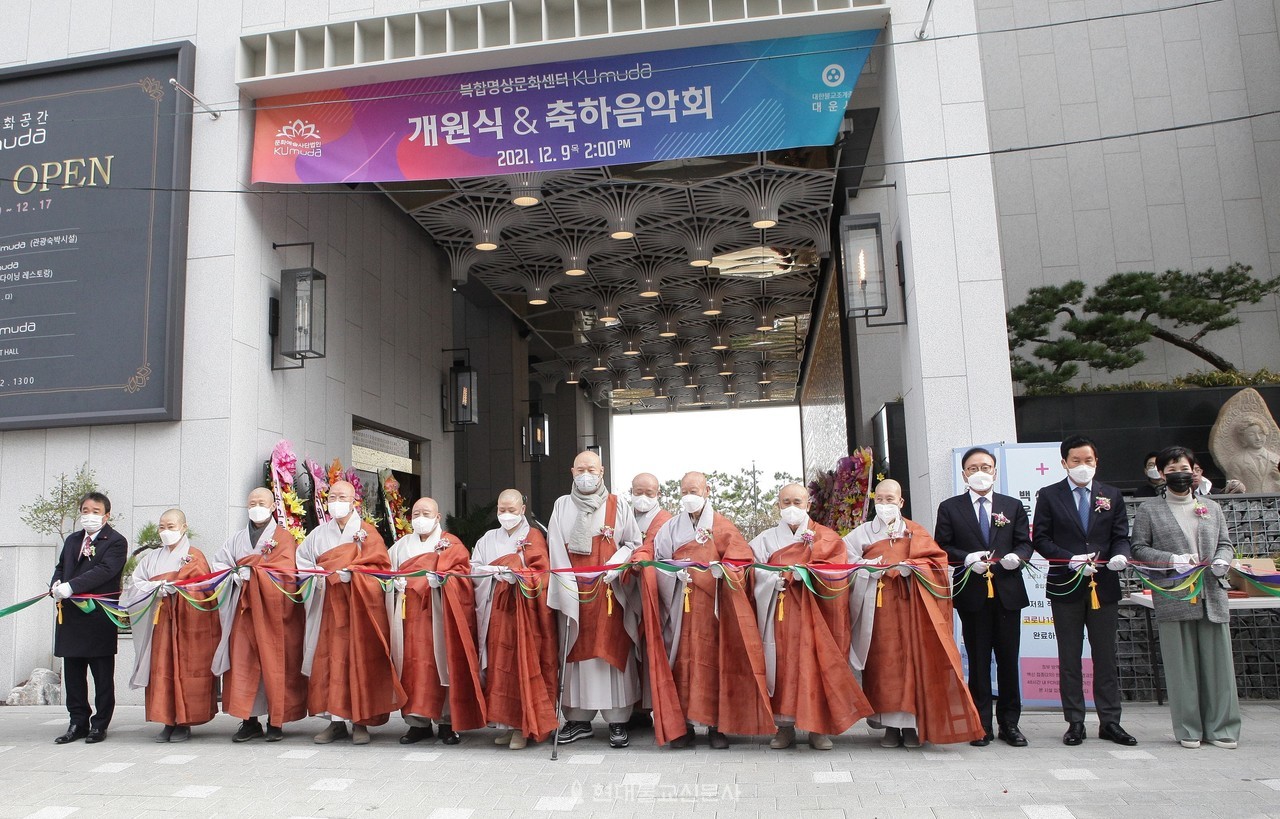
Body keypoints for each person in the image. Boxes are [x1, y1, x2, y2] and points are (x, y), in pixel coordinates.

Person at [846, 480, 985, 748]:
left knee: (912, 662)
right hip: (878, 607)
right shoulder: (861, 533)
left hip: (911, 607)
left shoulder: (915, 532)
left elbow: (937, 561)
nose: (885, 505)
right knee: (883, 665)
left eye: (891, 499)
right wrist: (865, 566)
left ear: (901, 503)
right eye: (880, 499)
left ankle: (911, 725)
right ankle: (889, 727)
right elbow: (843, 561)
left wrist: (915, 567)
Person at [643, 472, 773, 749]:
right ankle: (684, 727)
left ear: (707, 490)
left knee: (714, 663)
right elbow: (659, 561)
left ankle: (717, 726)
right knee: (680, 661)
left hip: (714, 608)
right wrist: (674, 574)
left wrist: (718, 572)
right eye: (684, 491)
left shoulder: (722, 526)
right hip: (680, 604)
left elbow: (741, 562)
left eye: (694, 490)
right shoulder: (670, 528)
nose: (689, 496)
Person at [1130, 446, 1241, 749]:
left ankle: (1222, 728)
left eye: (1185, 467)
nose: (1180, 473)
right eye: (1172, 468)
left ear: (1195, 470)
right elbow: (1138, 549)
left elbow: (1226, 543)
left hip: (1212, 594)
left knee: (1218, 666)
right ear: (1162, 474)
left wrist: (1221, 559)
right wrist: (1171, 559)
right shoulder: (1149, 509)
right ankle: (1189, 729)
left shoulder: (1211, 508)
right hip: (1174, 595)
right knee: (1182, 668)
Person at [1032, 435, 1136, 746]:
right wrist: (1070, 558)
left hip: (1103, 585)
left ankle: (1110, 721)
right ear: (1063, 463)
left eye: (1088, 460)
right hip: (1065, 585)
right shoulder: (1049, 496)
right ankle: (1075, 721)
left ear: (1096, 462)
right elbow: (1040, 538)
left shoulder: (1112, 495)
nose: (1082, 466)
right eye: (1075, 461)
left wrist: (1119, 555)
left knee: (1105, 655)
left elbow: (1120, 535)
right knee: (1069, 656)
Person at [751, 483, 871, 750]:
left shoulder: (826, 537)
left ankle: (819, 728)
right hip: (779, 612)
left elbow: (838, 570)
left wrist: (805, 574)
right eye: (785, 502)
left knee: (816, 665)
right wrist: (771, 579)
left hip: (815, 613)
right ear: (778, 505)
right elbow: (751, 569)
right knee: (782, 666)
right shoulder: (765, 539)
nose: (791, 508)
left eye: (797, 501)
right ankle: (784, 727)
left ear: (807, 504)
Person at [935, 448, 1034, 747]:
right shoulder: (950, 507)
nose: (980, 471)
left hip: (1007, 591)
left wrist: (1018, 557)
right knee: (977, 660)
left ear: (994, 471)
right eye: (973, 467)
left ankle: (1010, 724)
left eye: (986, 467)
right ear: (964, 473)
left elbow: (1024, 543)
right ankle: (980, 724)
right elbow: (942, 546)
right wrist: (966, 559)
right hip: (972, 592)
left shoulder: (1012, 505)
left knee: (1007, 659)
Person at [545, 450, 643, 748]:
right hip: (573, 590)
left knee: (610, 652)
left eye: (592, 469)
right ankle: (578, 720)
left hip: (609, 592)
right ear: (571, 472)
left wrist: (616, 566)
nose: (586, 474)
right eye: (580, 469)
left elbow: (632, 544)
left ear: (602, 471)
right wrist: (566, 580)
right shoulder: (562, 505)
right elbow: (554, 545)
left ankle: (617, 721)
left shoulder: (618, 504)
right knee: (575, 650)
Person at [297, 480, 406, 745]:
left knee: (360, 661)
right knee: (330, 662)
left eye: (341, 496)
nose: (336, 501)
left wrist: (356, 575)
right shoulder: (318, 534)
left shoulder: (369, 533)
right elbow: (302, 565)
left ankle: (361, 722)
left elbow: (382, 571)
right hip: (328, 609)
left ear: (354, 500)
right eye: (332, 496)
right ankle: (335, 723)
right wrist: (319, 579)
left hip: (360, 611)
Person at [211, 487, 308, 742]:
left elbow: (288, 573)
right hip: (243, 611)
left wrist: (254, 573)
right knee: (243, 662)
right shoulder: (236, 539)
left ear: (273, 506)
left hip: (273, 612)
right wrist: (234, 574)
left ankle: (276, 721)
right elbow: (220, 565)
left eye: (261, 502)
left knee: (274, 663)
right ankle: (249, 720)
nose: (256, 506)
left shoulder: (284, 538)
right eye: (252, 502)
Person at [387, 497, 485, 745]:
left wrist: (444, 581)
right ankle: (416, 723)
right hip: (409, 616)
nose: (420, 518)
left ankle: (446, 722)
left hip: (440, 614)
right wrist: (393, 586)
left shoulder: (450, 544)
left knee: (442, 664)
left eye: (426, 513)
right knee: (411, 666)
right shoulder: (400, 546)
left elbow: (464, 576)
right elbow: (384, 573)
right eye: (416, 513)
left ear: (438, 517)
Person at [120, 508, 221, 742]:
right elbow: (135, 585)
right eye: (162, 527)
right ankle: (167, 720)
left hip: (187, 626)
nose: (166, 532)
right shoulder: (152, 558)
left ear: (184, 528)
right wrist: (156, 589)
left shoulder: (195, 556)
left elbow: (204, 589)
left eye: (171, 527)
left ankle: (184, 723)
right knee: (161, 670)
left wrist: (179, 589)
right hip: (160, 623)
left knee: (185, 670)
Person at [472, 489, 560, 750]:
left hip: (523, 614)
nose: (506, 515)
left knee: (522, 665)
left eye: (511, 510)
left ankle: (524, 726)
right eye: (502, 510)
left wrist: (518, 575)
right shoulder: (488, 538)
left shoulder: (533, 536)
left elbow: (543, 573)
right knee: (500, 667)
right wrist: (490, 573)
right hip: (495, 611)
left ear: (523, 509)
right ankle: (506, 725)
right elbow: (474, 568)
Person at [50, 491, 128, 745]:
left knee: (101, 674)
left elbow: (105, 571)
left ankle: (100, 724)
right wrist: (57, 584)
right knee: (73, 673)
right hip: (70, 615)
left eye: (95, 511)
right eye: (85, 510)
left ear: (106, 515)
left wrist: (72, 586)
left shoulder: (115, 541)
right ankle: (77, 721)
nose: (89, 516)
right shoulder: (73, 539)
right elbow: (61, 566)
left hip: (98, 615)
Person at [625, 471, 671, 732]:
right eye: (638, 492)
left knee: (653, 645)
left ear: (659, 494)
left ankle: (652, 705)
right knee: (631, 648)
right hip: (626, 588)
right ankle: (634, 708)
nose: (643, 498)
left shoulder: (665, 520)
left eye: (649, 494)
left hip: (654, 590)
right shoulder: (624, 516)